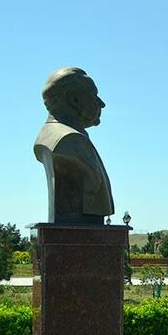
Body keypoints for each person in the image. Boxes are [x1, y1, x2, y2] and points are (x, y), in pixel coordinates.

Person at [33, 67, 114, 224]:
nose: (101, 103)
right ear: (74, 99)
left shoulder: (59, 137)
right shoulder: (69, 140)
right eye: (94, 95)